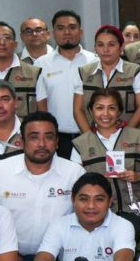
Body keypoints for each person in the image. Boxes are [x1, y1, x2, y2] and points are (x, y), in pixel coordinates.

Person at [0, 112, 85, 261]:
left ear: (57, 142)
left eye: (49, 137)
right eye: (34, 137)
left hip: (57, 258)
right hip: (9, 255)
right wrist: (0, 252)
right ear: (21, 142)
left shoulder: (74, 173)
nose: (41, 144)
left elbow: (86, 218)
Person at [72, 89, 140, 239]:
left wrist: (138, 176)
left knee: (125, 243)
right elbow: (74, 181)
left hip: (135, 210)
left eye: (111, 108)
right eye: (99, 108)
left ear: (119, 112)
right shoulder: (80, 144)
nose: (105, 114)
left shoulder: (138, 137)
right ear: (90, 111)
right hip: (95, 211)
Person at [34, 10, 97, 157]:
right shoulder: (41, 64)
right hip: (57, 138)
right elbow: (41, 104)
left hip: (91, 134)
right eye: (61, 28)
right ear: (53, 33)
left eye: (72, 27)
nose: (67, 32)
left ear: (81, 32)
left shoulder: (95, 61)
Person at [74, 25, 140, 134]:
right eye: (100, 45)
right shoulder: (83, 73)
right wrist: (90, 138)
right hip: (92, 138)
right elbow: (78, 110)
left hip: (129, 138)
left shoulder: (136, 72)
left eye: (111, 44)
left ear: (121, 47)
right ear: (95, 48)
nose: (105, 50)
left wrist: (124, 137)